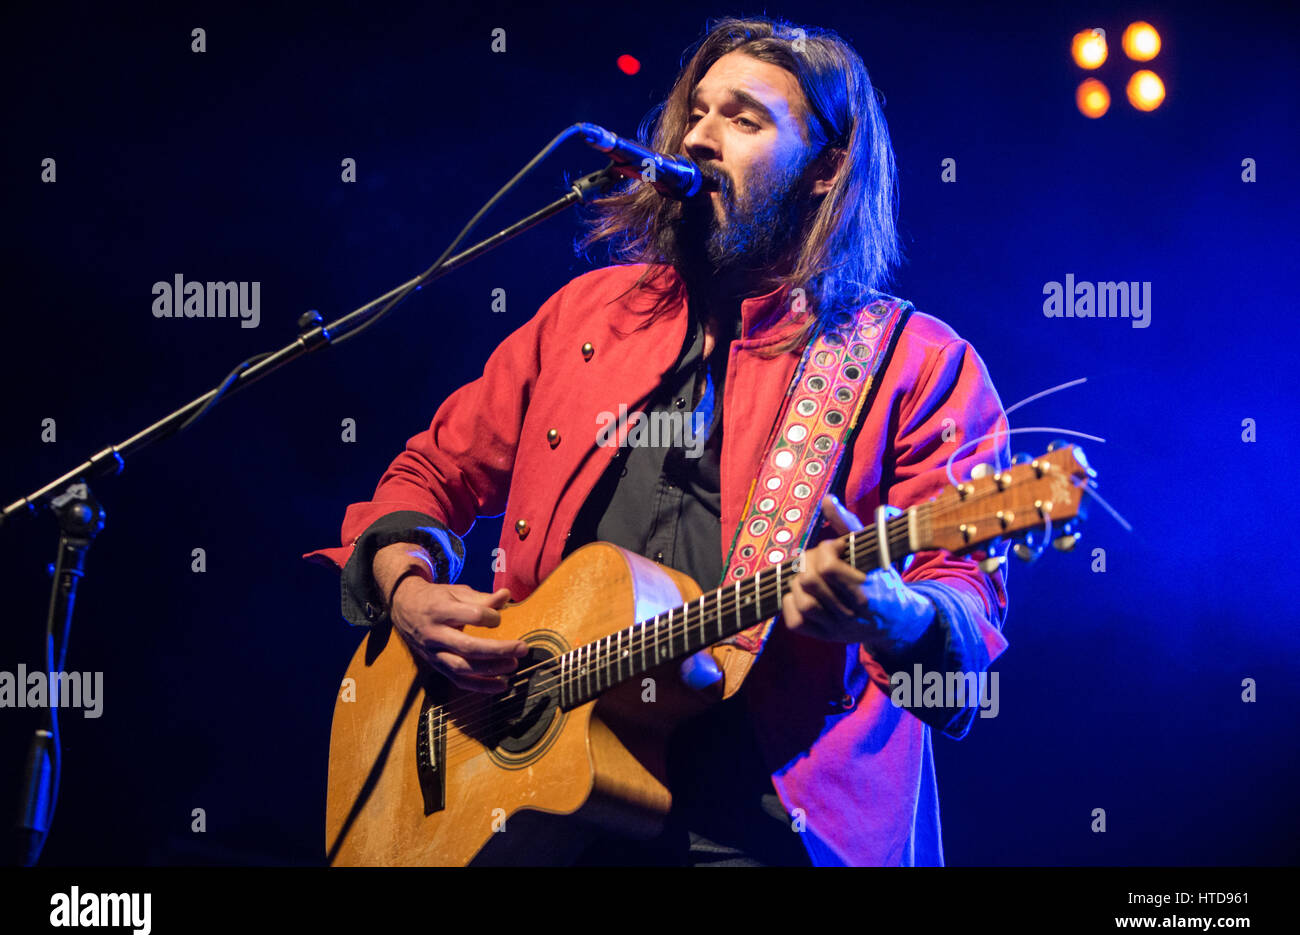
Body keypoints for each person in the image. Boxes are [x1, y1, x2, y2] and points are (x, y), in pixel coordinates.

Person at [306, 16, 1010, 866]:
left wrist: (897, 614)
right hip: (535, 798)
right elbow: (428, 473)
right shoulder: (584, 316)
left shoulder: (918, 363)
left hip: (767, 821)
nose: (701, 138)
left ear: (827, 169)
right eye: (698, 113)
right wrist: (405, 589)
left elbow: (965, 621)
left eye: (744, 120)